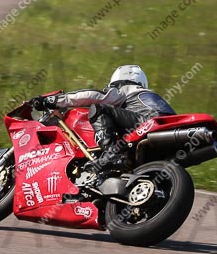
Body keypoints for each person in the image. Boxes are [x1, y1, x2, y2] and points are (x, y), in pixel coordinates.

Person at [32, 65, 175, 179]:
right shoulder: (148, 95)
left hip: (148, 122)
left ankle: (111, 155)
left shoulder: (126, 89)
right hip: (167, 133)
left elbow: (92, 95)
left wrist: (51, 101)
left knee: (99, 109)